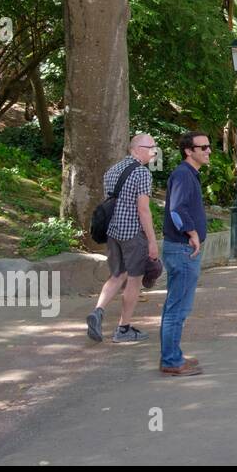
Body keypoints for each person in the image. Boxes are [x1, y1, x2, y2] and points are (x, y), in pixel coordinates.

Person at [86, 134, 161, 344]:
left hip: (113, 232)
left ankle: (98, 311)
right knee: (135, 280)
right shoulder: (142, 173)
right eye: (150, 147)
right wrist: (152, 241)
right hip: (132, 234)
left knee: (117, 275)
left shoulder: (112, 171)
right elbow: (144, 211)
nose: (154, 151)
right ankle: (123, 329)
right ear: (135, 149)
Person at [159, 130, 211, 377]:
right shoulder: (183, 174)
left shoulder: (189, 174)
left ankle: (174, 356)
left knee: (178, 306)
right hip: (182, 249)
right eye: (203, 147)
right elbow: (176, 209)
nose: (208, 151)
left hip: (182, 248)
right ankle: (171, 360)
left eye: (209, 146)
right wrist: (191, 232)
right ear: (189, 151)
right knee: (177, 308)